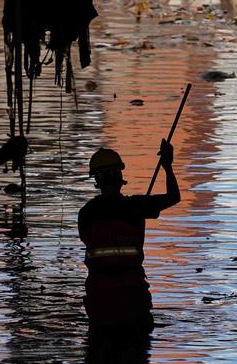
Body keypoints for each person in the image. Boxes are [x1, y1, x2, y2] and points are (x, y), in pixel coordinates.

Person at [77, 141, 180, 332]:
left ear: (96, 180)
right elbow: (174, 197)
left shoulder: (86, 214)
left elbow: (89, 239)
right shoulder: (137, 207)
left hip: (100, 301)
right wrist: (167, 165)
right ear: (120, 176)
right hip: (134, 299)